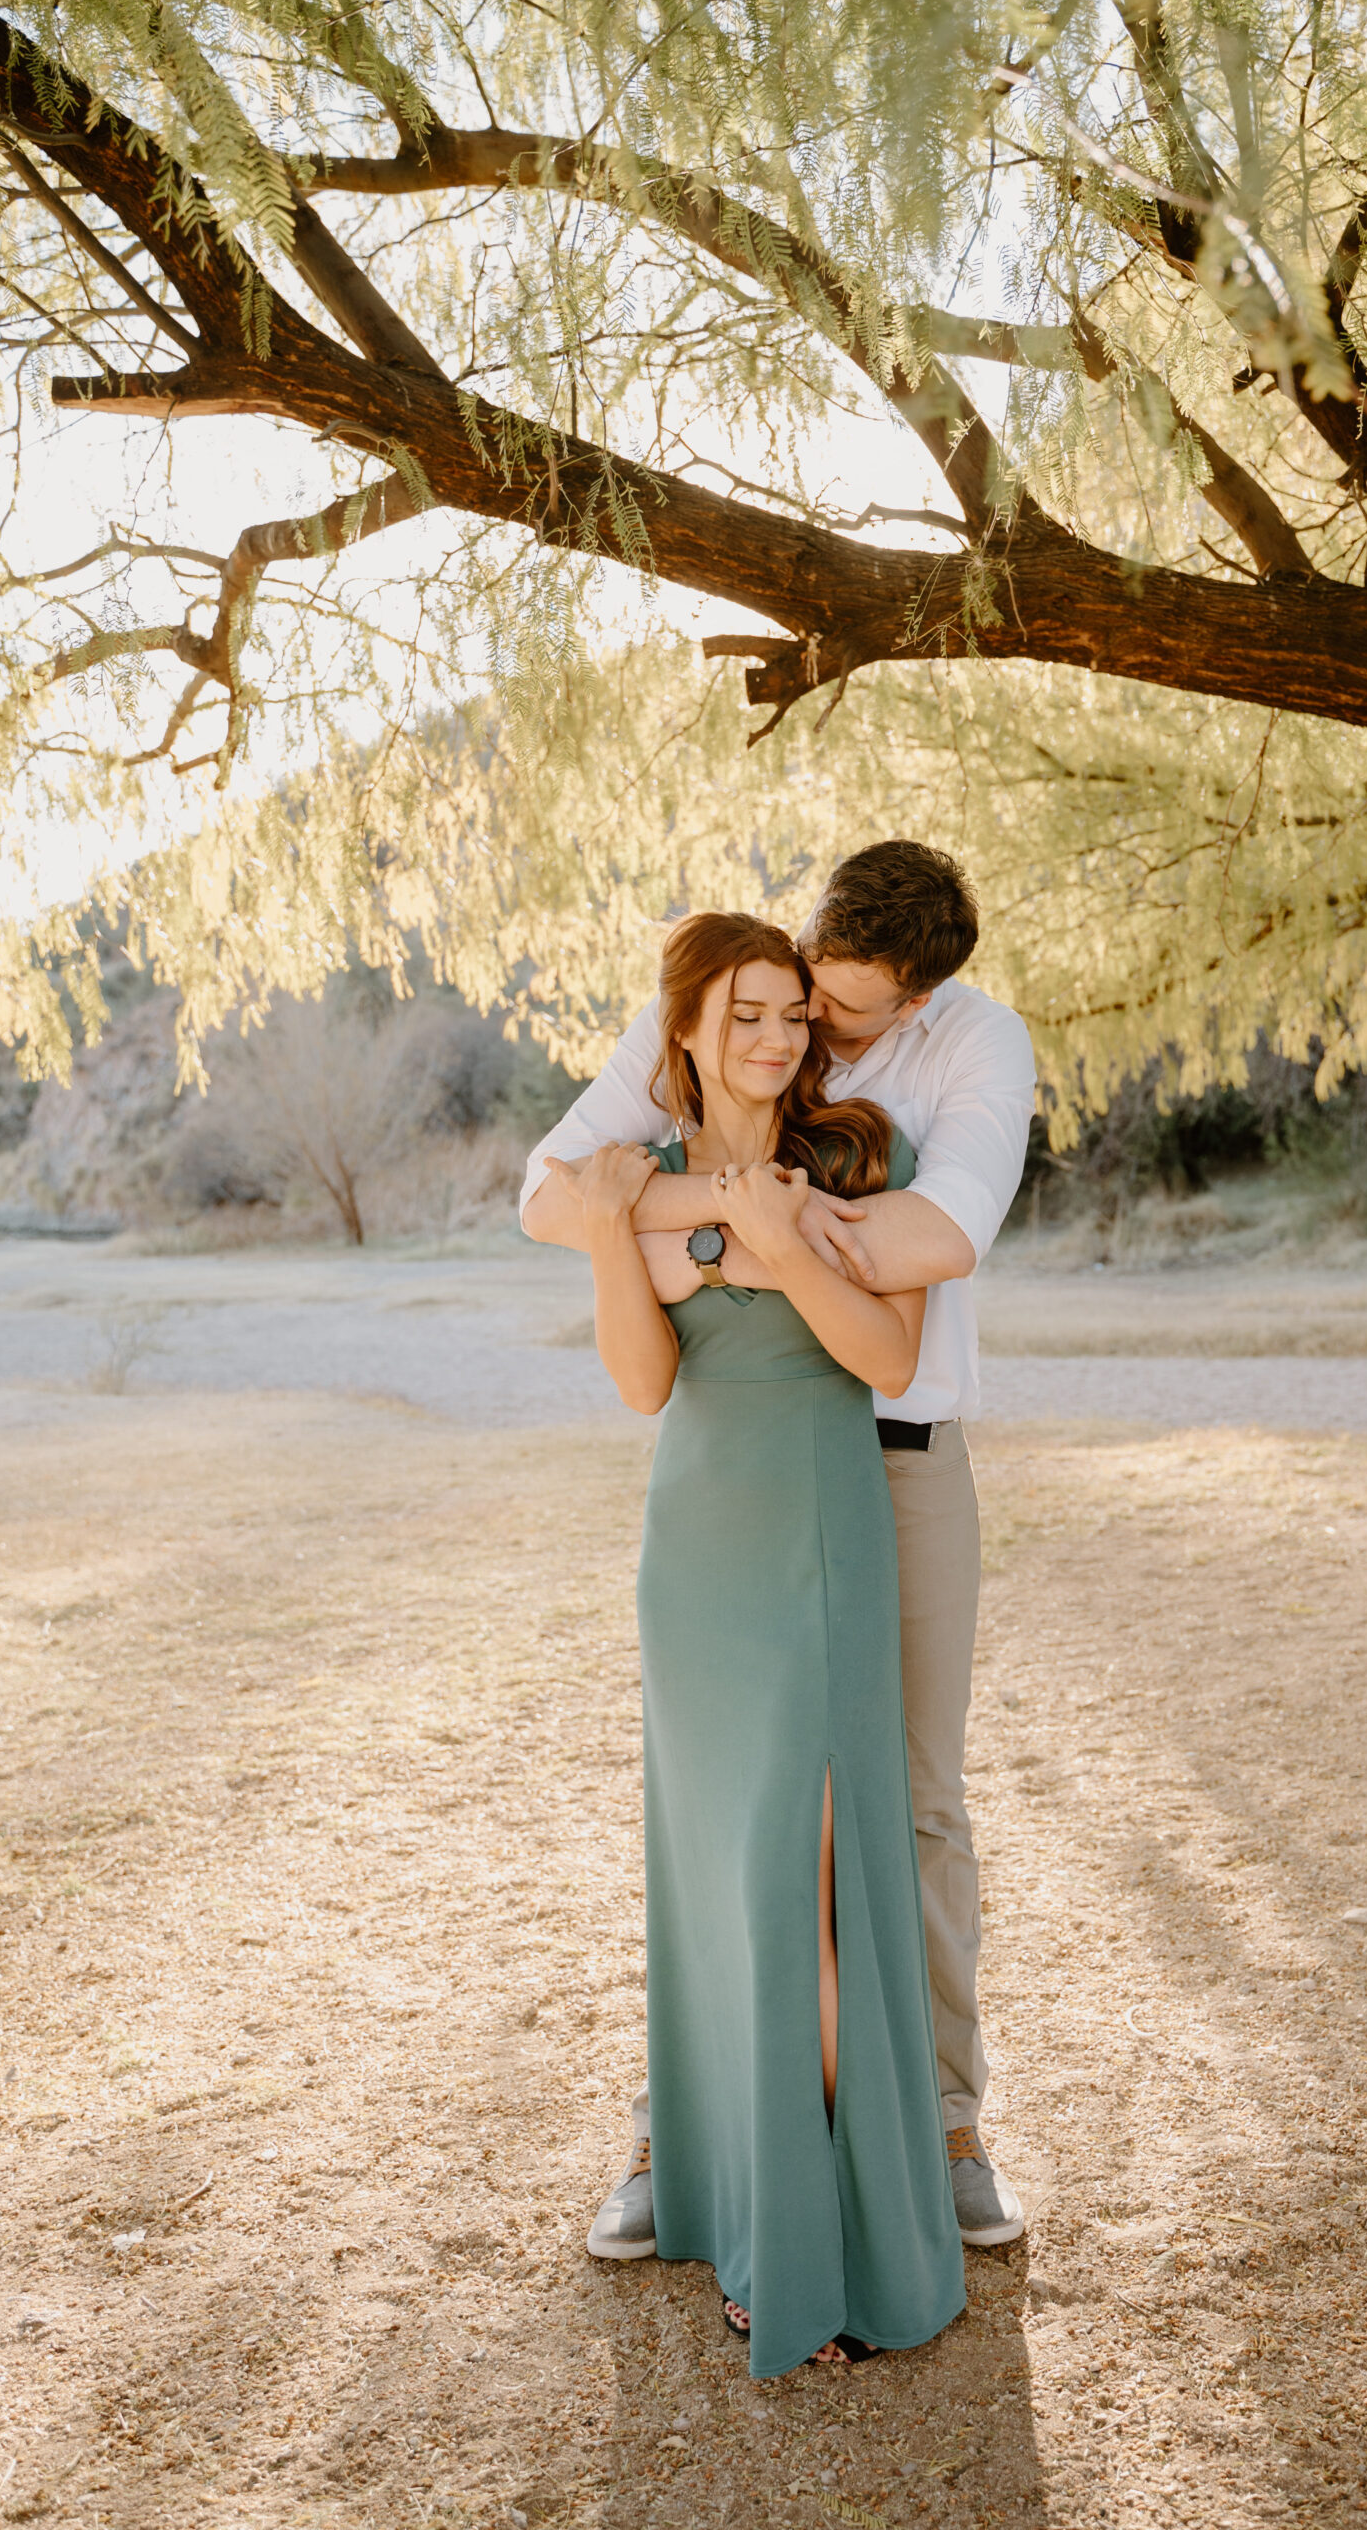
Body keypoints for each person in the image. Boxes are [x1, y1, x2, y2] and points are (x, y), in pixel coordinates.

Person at [521, 841, 1036, 2256]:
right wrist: (702, 1217)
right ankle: (674, 2130)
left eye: (853, 1014)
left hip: (897, 1460)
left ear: (920, 993)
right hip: (743, 1469)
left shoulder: (978, 1052)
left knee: (914, 1799)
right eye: (814, 992)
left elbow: (934, 1240)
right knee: (722, 1809)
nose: (820, 1032)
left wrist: (737, 1231)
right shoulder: (738, 996)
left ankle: (942, 2122)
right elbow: (548, 1193)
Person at [579, 909, 965, 2376]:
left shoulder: (862, 1153)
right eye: (746, 1012)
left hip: (817, 1529)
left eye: (792, 1011)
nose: (778, 1035)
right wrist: (643, 1226)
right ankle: (743, 2206)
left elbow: (887, 1357)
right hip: (695, 1557)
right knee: (722, 1886)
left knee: (806, 1878)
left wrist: (776, 1236)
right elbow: (638, 1381)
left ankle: (833, 2241)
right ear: (681, 1027)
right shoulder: (638, 1179)